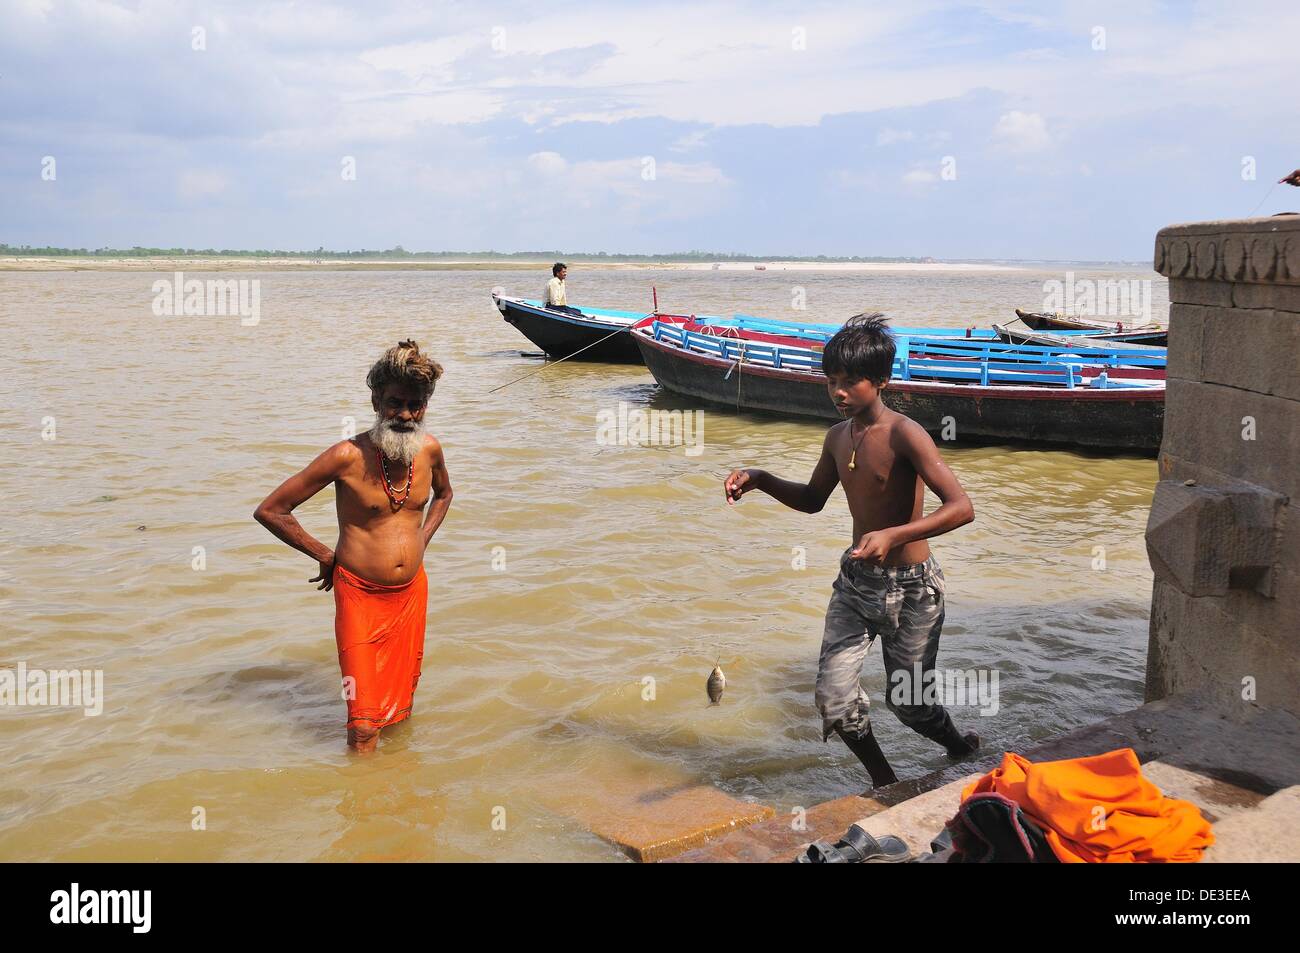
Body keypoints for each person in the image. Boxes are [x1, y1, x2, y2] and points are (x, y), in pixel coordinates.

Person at [723, 313, 979, 787]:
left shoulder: (906, 433)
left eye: (850, 382)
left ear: (881, 380)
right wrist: (762, 480)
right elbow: (812, 500)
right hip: (857, 584)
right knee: (834, 697)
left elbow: (962, 507)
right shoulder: (838, 437)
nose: (838, 392)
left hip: (914, 591)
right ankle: (884, 782)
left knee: (911, 705)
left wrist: (894, 534)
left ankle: (961, 748)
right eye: (831, 381)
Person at [254, 340, 453, 752]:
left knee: (399, 710)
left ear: (426, 405)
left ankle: (394, 799)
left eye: (415, 405)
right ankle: (358, 810)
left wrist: (422, 539)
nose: (404, 415)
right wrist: (327, 555)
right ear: (376, 400)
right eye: (395, 402)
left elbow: (445, 495)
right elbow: (273, 510)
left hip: (411, 593)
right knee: (363, 725)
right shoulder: (346, 456)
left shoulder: (429, 449)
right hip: (360, 595)